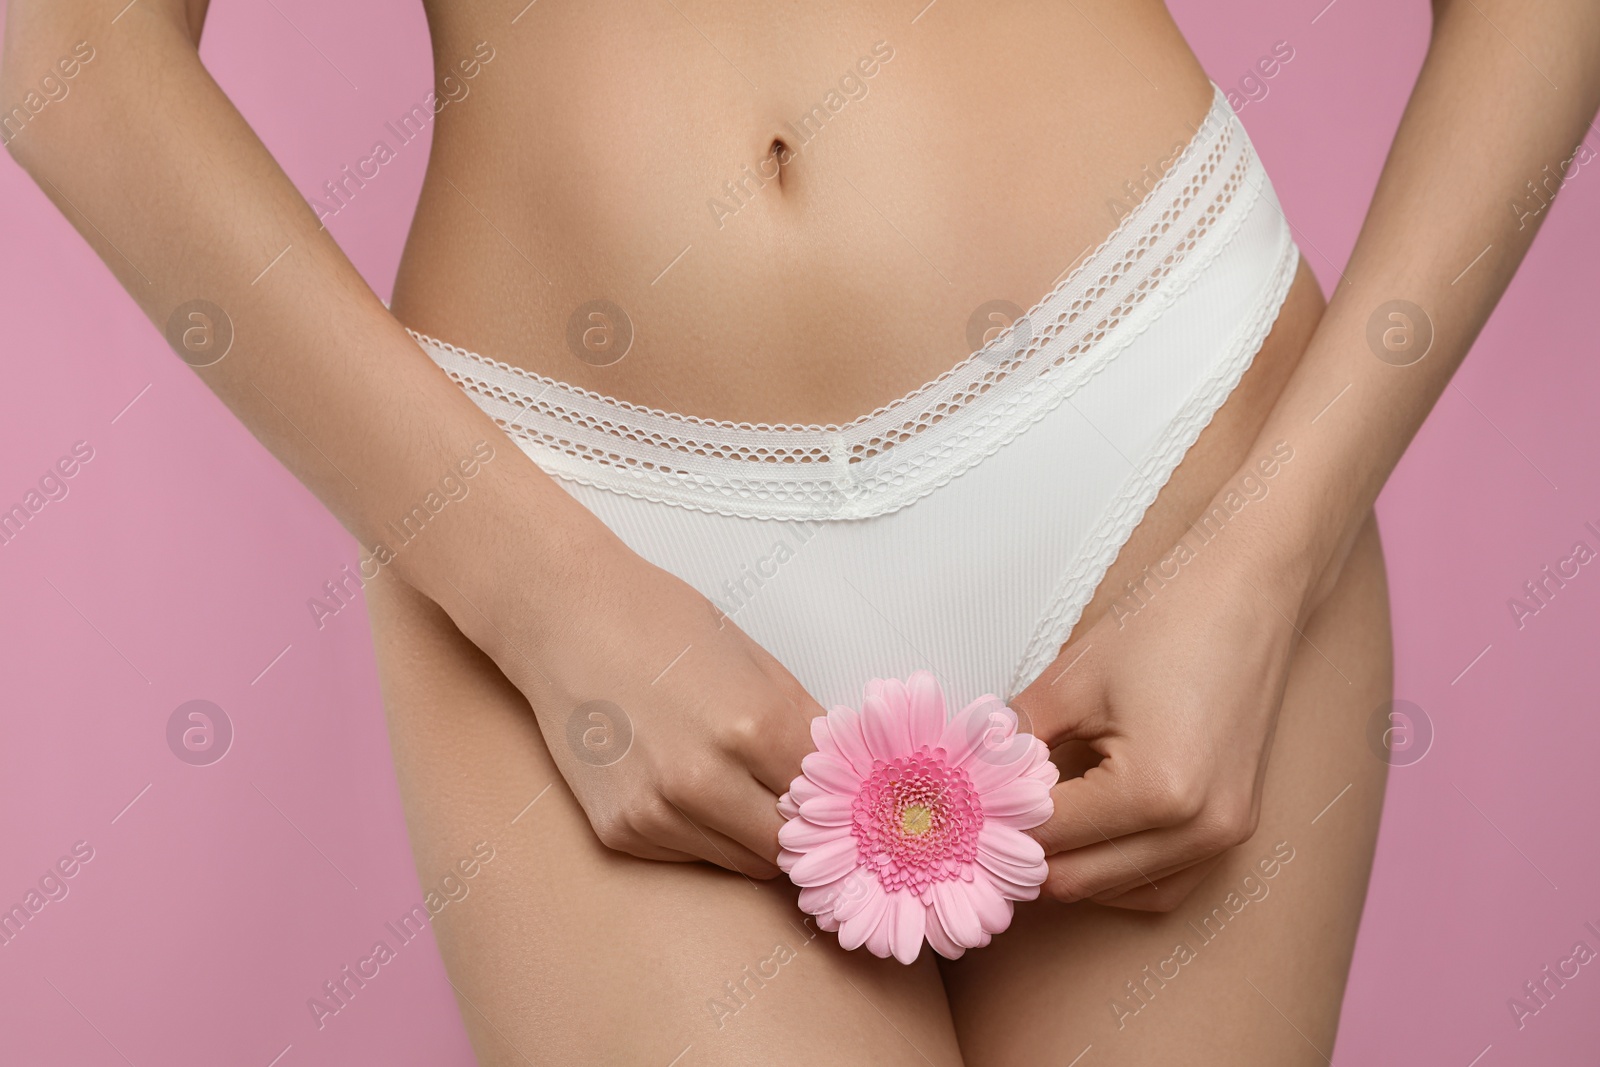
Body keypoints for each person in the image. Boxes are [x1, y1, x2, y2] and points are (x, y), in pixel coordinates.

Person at [5, 1, 1596, 1062]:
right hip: (573, 512)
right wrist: (540, 595)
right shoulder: (554, 579)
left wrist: (1271, 556)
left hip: (1158, 436)